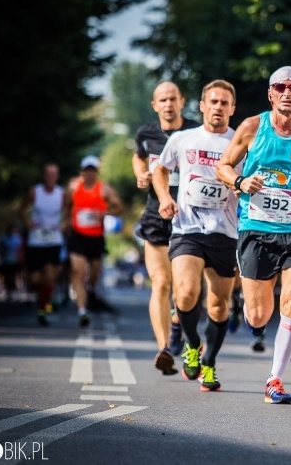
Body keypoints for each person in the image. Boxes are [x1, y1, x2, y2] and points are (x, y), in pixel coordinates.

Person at [216, 65, 291, 405]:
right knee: (258, 314)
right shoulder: (253, 127)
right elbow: (222, 166)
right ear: (270, 93)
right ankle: (249, 315)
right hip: (256, 228)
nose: (287, 92)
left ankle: (274, 380)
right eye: (280, 87)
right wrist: (239, 181)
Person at [153, 79, 241, 391]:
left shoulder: (239, 143)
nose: (218, 108)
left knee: (219, 305)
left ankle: (210, 363)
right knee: (185, 294)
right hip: (187, 228)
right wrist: (165, 198)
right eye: (213, 102)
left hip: (224, 231)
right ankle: (192, 346)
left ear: (232, 109)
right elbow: (160, 170)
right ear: (202, 106)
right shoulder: (183, 139)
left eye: (224, 103)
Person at [133, 81, 201, 375]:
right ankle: (165, 349)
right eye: (163, 99)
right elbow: (138, 156)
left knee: (185, 290)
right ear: (155, 105)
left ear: (182, 101)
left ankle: (177, 327)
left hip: (189, 217)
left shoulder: (195, 132)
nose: (168, 104)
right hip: (155, 215)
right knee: (161, 283)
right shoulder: (146, 134)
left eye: (173, 98)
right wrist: (141, 175)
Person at [63, 155, 124, 327]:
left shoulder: (104, 189)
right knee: (77, 271)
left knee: (93, 275)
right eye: (86, 170)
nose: (89, 174)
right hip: (77, 235)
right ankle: (82, 311)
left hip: (96, 237)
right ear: (81, 172)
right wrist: (66, 220)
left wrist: (104, 213)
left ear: (96, 172)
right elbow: (67, 206)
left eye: (92, 170)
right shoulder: (73, 188)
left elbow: (119, 207)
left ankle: (90, 291)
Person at [19, 163, 65, 326]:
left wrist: (64, 225)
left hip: (54, 240)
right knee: (36, 279)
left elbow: (70, 212)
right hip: (36, 240)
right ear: (43, 175)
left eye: (54, 174)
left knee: (50, 277)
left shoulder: (62, 194)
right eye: (48, 174)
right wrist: (28, 223)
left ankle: (43, 308)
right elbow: (21, 210)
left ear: (57, 176)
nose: (51, 177)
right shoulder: (35, 192)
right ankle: (43, 300)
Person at [0, 224, 23, 301]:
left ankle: (15, 291)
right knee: (7, 276)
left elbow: (20, 249)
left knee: (15, 276)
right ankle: (8, 291)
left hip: (16, 261)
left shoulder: (17, 239)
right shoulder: (3, 239)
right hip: (6, 261)